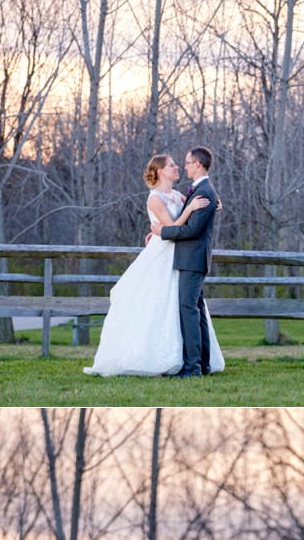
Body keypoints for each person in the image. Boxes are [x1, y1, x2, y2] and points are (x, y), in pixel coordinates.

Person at [83, 154, 225, 377]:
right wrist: (167, 228)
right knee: (162, 304)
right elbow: (173, 225)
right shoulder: (154, 199)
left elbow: (195, 213)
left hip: (180, 255)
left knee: (187, 307)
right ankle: (176, 361)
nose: (178, 166)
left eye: (181, 163)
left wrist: (214, 204)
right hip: (167, 254)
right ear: (160, 171)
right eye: (172, 165)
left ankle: (194, 364)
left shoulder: (179, 195)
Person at [150, 146, 221, 378]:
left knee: (188, 309)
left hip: (192, 259)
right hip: (190, 258)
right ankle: (202, 365)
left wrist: (163, 232)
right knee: (196, 310)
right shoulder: (200, 190)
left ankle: (192, 368)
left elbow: (190, 230)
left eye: (188, 162)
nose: (185, 166)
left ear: (198, 165)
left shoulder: (204, 192)